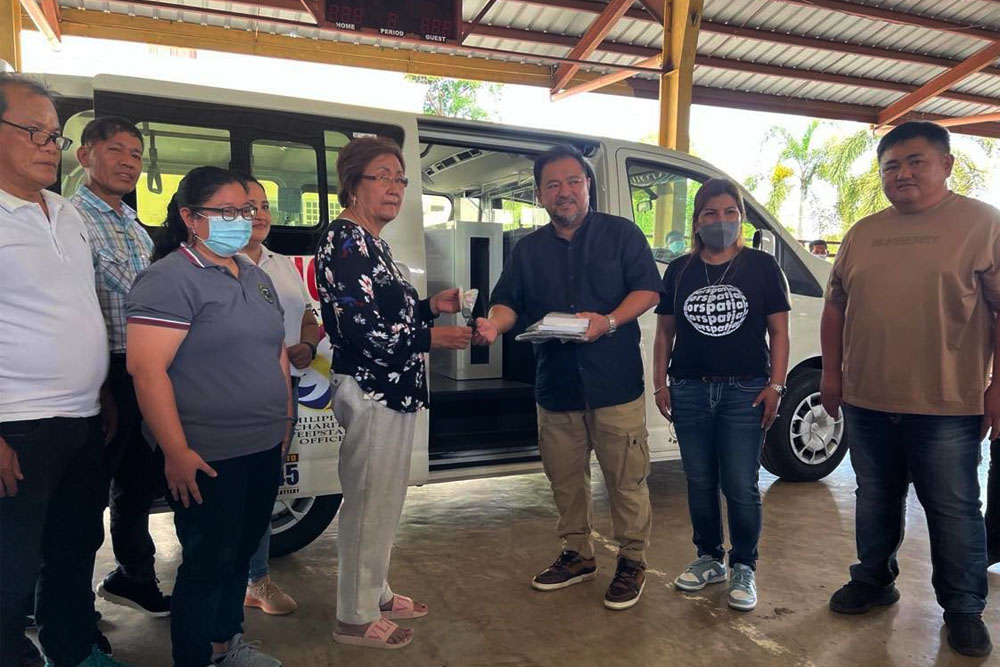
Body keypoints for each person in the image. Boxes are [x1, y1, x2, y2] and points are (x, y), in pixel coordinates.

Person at [821, 121, 1000, 657]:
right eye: (891, 166)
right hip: (868, 399)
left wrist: (997, 388)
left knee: (953, 509)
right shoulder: (863, 233)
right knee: (874, 497)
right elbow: (835, 306)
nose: (902, 174)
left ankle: (964, 607)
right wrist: (832, 374)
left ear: (946, 165)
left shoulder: (982, 225)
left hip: (947, 404)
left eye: (916, 161)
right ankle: (874, 579)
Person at [473, 144, 662, 611]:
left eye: (573, 181)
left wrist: (609, 322)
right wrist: (495, 324)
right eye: (553, 185)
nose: (565, 192)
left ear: (588, 186)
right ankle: (578, 554)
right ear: (539, 195)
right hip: (556, 387)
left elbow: (648, 289)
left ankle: (633, 561)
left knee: (626, 480)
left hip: (614, 383)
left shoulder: (622, 235)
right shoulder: (528, 250)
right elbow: (508, 300)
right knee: (564, 478)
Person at [126, 166, 291, 667]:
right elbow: (146, 369)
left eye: (246, 210)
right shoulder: (168, 279)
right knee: (207, 563)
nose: (240, 220)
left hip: (262, 444)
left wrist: (284, 423)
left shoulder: (255, 276)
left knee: (240, 555)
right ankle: (196, 658)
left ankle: (226, 646)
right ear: (190, 218)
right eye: (225, 212)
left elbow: (276, 353)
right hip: (207, 452)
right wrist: (175, 451)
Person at [315, 137, 470, 649]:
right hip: (372, 391)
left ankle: (375, 592)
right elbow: (364, 331)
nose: (395, 187)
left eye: (401, 179)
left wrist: (429, 307)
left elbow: (388, 316)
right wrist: (433, 337)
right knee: (368, 503)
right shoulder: (345, 241)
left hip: (394, 390)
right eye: (382, 176)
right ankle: (354, 618)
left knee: (384, 499)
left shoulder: (371, 242)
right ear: (352, 183)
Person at [0, 73, 129, 667]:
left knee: (76, 548)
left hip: (81, 419)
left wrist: (100, 388)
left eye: (53, 134)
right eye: (33, 131)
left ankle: (72, 649)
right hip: (17, 425)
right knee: (10, 566)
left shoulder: (66, 212)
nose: (49, 144)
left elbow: (84, 306)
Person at [652, 178, 790, 612]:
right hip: (690, 389)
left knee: (741, 484)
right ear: (696, 221)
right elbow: (663, 335)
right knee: (699, 481)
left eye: (730, 212)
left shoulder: (763, 267)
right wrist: (661, 383)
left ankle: (744, 565)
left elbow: (779, 332)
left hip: (745, 392)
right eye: (710, 213)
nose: (721, 221)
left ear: (742, 218)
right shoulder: (679, 270)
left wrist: (777, 385)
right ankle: (709, 557)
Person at [70, 116, 172, 620]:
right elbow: (113, 300)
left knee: (139, 480)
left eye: (135, 154)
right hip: (102, 372)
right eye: (116, 150)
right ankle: (72, 607)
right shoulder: (72, 220)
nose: (128, 162)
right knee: (87, 493)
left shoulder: (131, 221)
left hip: (143, 369)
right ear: (84, 155)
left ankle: (133, 574)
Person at [240, 175, 321, 616]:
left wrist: (306, 346)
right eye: (248, 205)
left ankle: (256, 579)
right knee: (226, 490)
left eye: (265, 204)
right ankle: (227, 580)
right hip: (233, 392)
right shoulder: (216, 264)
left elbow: (307, 312)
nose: (260, 213)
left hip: (281, 388)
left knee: (264, 486)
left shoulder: (281, 263)